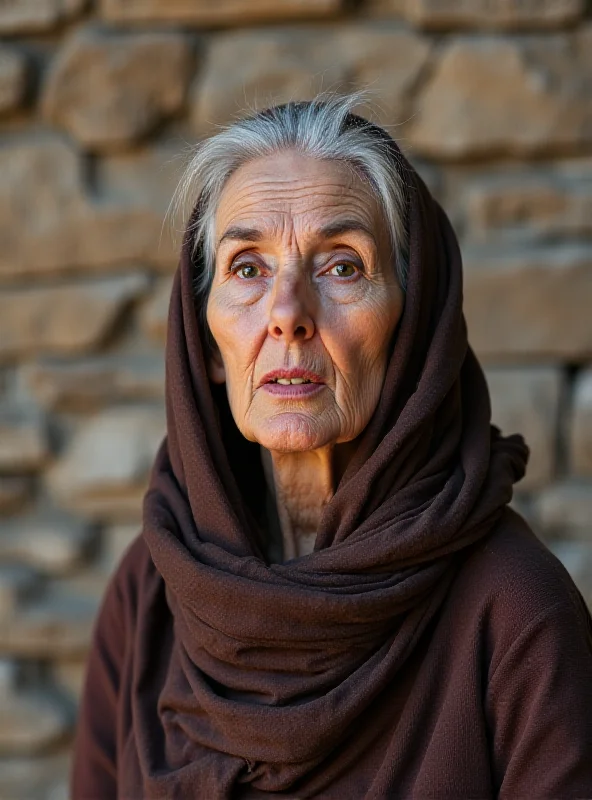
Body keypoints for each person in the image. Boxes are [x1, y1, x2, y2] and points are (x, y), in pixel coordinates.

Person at [71, 95, 592, 799]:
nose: (287, 314)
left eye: (342, 266)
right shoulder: (151, 591)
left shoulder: (516, 612)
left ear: (412, 331)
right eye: (247, 268)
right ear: (206, 343)